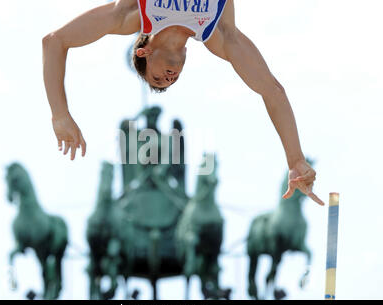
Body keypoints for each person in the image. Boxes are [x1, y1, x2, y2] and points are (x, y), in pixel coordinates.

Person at [42, 0, 324, 206]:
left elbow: (54, 41)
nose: (168, 79)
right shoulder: (220, 35)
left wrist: (59, 114)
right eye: (168, 82)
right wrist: (295, 159)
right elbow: (272, 91)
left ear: (144, 50)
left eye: (157, 77)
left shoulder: (133, 13)